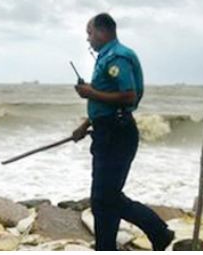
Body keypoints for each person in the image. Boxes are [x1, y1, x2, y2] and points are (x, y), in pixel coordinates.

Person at [71, 13, 175, 251]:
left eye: (90, 33)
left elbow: (128, 96)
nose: (88, 39)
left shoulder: (117, 57)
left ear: (102, 31)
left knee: (105, 197)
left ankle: (159, 232)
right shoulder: (106, 57)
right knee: (104, 198)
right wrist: (84, 125)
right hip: (107, 131)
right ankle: (106, 247)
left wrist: (90, 93)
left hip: (117, 134)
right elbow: (106, 102)